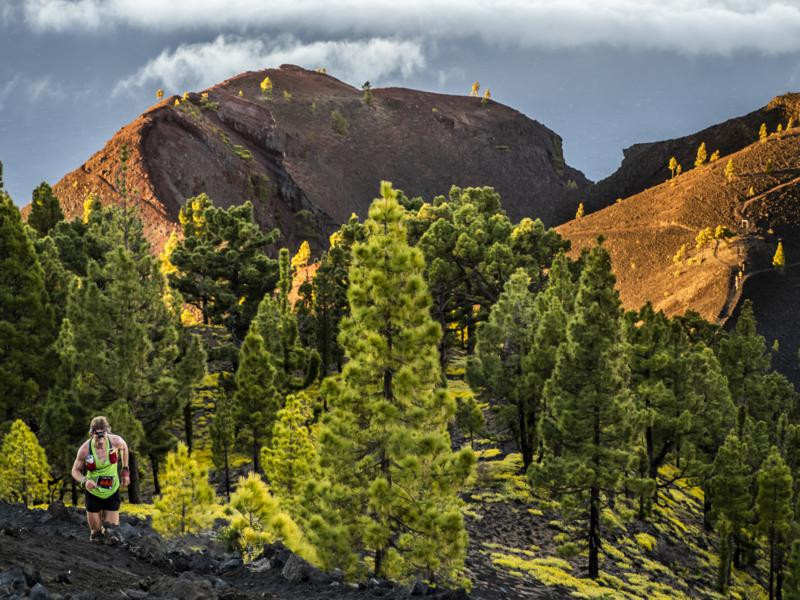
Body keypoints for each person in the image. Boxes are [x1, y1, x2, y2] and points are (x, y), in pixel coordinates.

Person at [71, 416, 130, 542]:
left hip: (111, 491)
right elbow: (75, 471)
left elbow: (124, 448)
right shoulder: (85, 450)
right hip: (93, 493)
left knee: (112, 533)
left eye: (103, 437)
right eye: (98, 437)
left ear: (107, 433)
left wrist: (125, 470)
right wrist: (85, 481)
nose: (101, 441)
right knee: (96, 535)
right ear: (92, 434)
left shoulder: (115, 441)